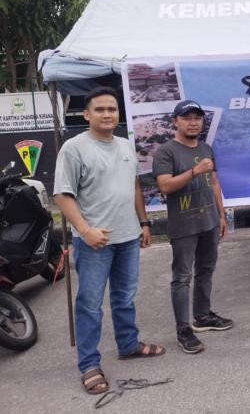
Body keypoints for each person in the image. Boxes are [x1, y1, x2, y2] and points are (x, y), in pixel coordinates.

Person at [54, 86, 165, 396]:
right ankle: (89, 364)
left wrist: (144, 223)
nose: (107, 114)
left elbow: (134, 187)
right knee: (90, 304)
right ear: (86, 114)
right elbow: (62, 195)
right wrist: (85, 230)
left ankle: (128, 345)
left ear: (118, 114)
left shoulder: (126, 146)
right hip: (94, 241)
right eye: (100, 109)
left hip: (128, 236)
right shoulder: (74, 148)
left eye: (112, 109)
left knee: (124, 297)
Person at [152, 100, 233, 354]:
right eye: (187, 118)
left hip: (209, 221)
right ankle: (183, 330)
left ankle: (203, 316)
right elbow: (165, 186)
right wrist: (195, 171)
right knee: (182, 277)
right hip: (184, 224)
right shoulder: (166, 151)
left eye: (197, 118)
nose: (193, 122)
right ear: (174, 122)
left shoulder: (206, 148)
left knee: (206, 270)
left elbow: (214, 182)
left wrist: (221, 215)